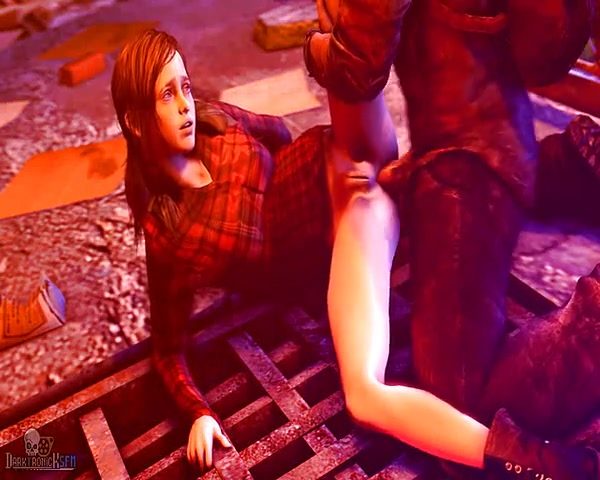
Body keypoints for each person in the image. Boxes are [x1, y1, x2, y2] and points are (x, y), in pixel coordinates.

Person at [111, 27, 600, 478]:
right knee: (366, 396)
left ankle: (559, 164)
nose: (186, 106)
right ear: (134, 120)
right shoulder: (168, 232)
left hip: (345, 167)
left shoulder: (216, 123)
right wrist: (199, 413)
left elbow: (279, 133)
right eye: (167, 95)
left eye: (186, 87)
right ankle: (547, 463)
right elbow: (168, 351)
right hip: (352, 213)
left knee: (353, 61)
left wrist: (314, 176)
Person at [306, 0, 600, 478]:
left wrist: (323, 39)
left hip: (463, 165)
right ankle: (572, 162)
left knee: (454, 405)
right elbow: (544, 57)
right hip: (477, 149)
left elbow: (356, 71)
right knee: (393, 400)